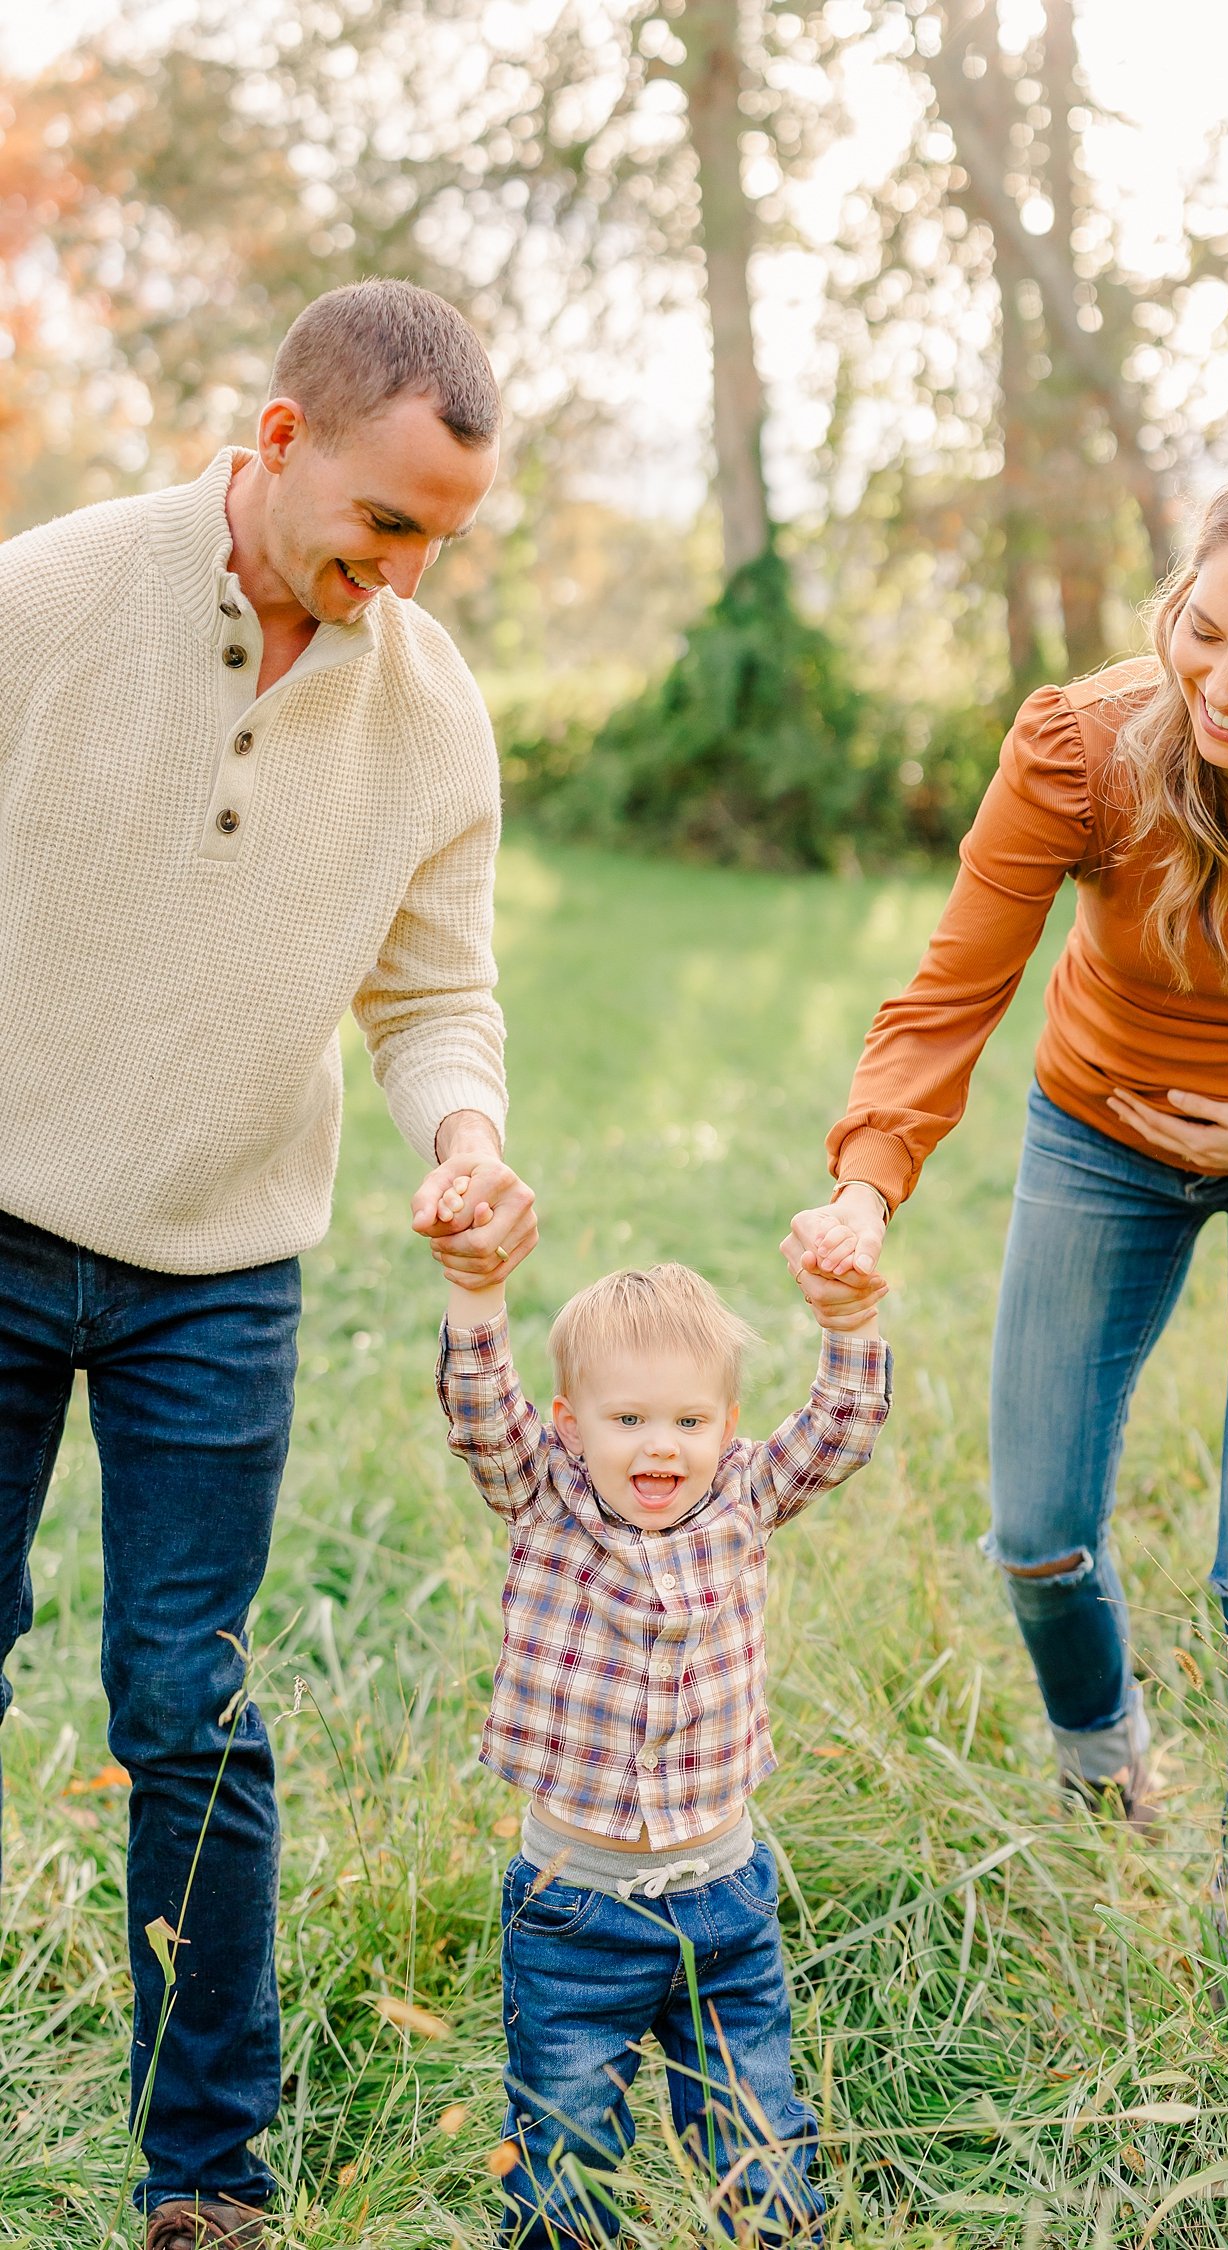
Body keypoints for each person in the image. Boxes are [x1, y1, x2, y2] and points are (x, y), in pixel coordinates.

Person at [0, 279, 538, 2246]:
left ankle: (204, 2179)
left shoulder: (427, 709)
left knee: (187, 1706)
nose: (403, 575)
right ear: (281, 435)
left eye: (441, 542)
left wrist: (465, 1140)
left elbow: (437, 994)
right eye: (386, 522)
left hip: (221, 1268)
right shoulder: (46, 601)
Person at [784, 446, 1228, 1877]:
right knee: (1039, 1534)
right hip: (1102, 1139)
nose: (1224, 687)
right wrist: (867, 1179)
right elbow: (951, 989)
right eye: (1203, 633)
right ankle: (1107, 1772)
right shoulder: (1089, 746)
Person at [435, 1240, 891, 2245]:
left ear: (727, 1427)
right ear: (568, 1426)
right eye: (628, 1420)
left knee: (758, 2132)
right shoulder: (543, 1496)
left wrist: (850, 1321)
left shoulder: (743, 1495)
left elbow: (840, 1430)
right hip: (574, 1911)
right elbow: (478, 1414)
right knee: (563, 2141)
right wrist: (478, 1289)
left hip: (722, 1903)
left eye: (687, 1421)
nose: (660, 1448)